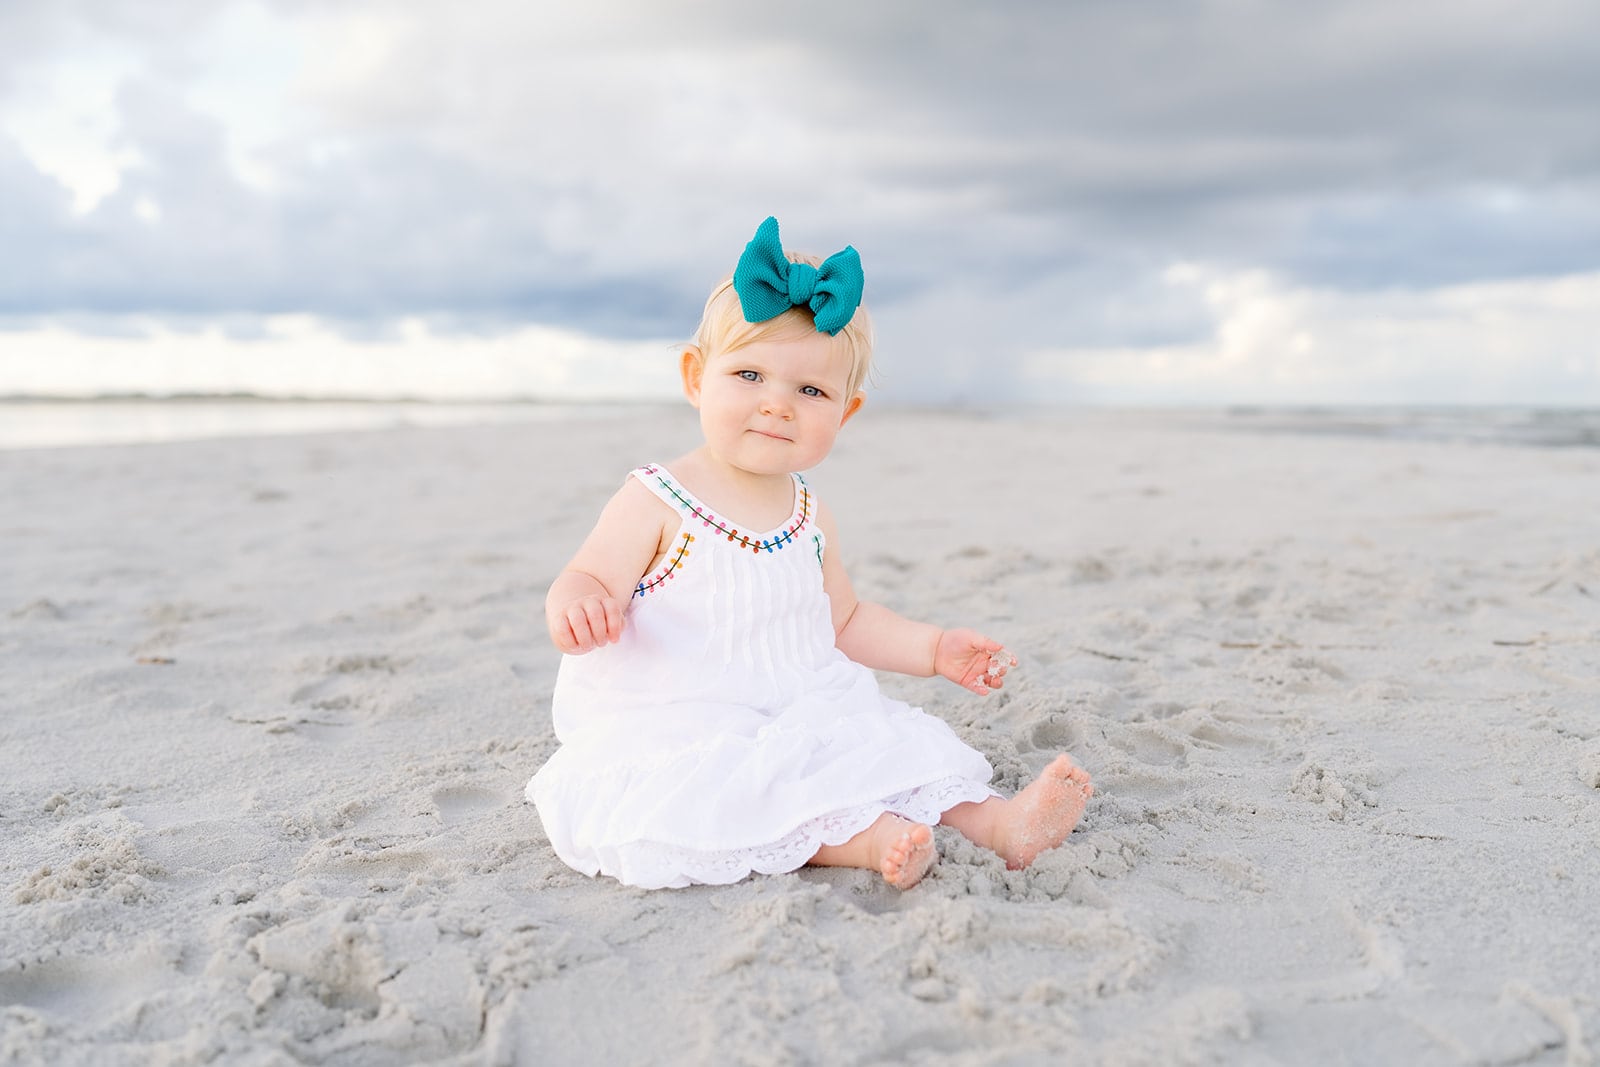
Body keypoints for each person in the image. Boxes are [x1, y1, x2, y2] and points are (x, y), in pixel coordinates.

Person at [527, 217, 1093, 890]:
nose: (777, 404)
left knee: (887, 747)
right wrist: (580, 601)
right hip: (684, 714)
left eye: (810, 390)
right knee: (746, 790)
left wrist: (934, 648)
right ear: (694, 376)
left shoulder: (809, 513)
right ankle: (871, 841)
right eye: (748, 374)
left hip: (796, 702)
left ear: (845, 412)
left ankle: (999, 823)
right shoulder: (658, 498)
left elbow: (845, 620)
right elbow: (588, 573)